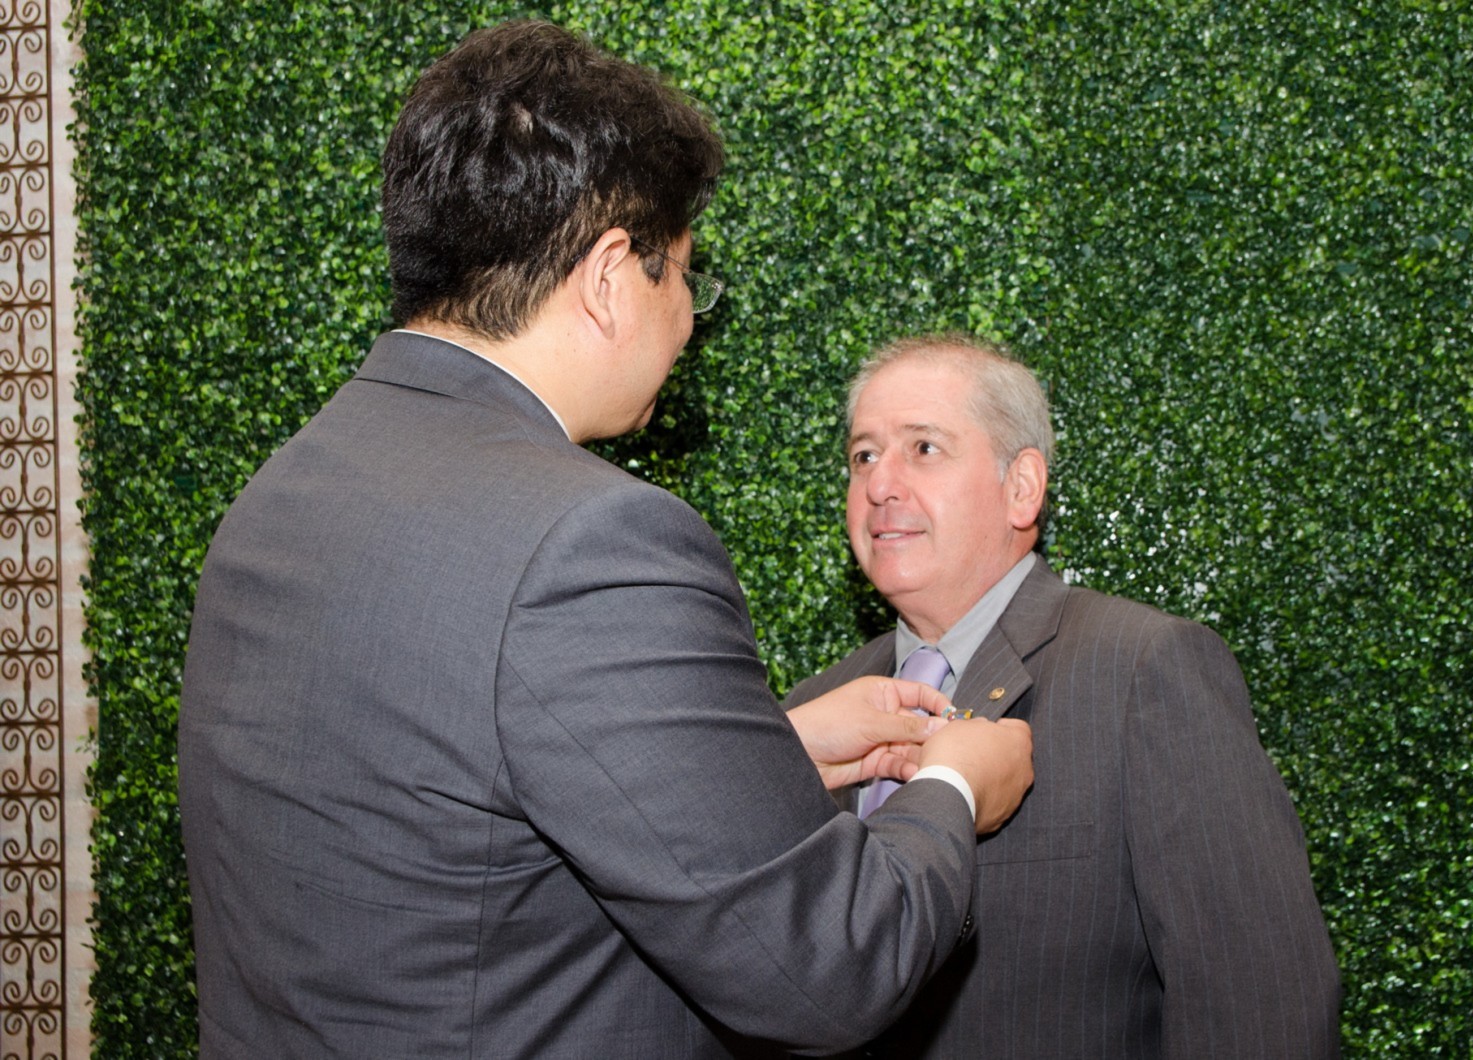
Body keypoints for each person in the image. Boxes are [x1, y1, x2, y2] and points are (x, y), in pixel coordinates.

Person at [177, 24, 1033, 1059]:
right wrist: (951, 788)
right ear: (612, 274)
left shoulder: (285, 490)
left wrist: (765, 752)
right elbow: (828, 969)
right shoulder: (592, 541)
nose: (688, 323)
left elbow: (450, 804)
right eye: (687, 282)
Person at [785, 334, 1342, 1057]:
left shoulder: (1143, 670)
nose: (880, 484)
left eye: (923, 448)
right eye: (864, 455)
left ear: (1022, 487)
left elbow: (1261, 1004)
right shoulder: (812, 709)